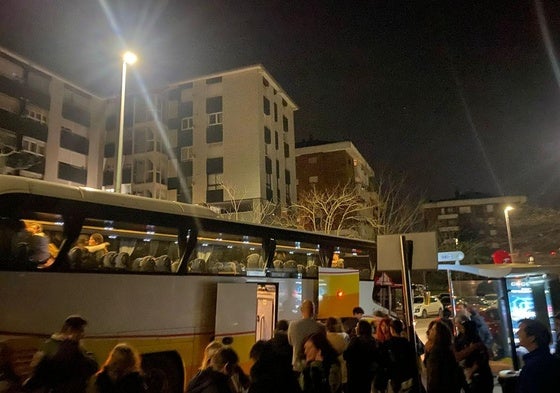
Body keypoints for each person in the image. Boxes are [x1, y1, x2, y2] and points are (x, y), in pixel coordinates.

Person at [24, 315, 98, 393]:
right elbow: (38, 371)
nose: (83, 335)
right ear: (70, 330)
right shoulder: (51, 346)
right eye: (81, 331)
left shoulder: (77, 347)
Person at [516, 318, 560, 393]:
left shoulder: (534, 366)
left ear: (532, 338)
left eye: (520, 330)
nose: (517, 333)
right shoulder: (550, 360)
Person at [453, 315, 493, 393]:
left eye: (457, 323)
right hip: (472, 376)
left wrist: (470, 371)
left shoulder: (475, 339)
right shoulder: (461, 338)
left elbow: (481, 358)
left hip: (479, 378)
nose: (457, 326)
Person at [423, 320, 462, 393]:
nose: (430, 331)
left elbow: (434, 378)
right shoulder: (445, 350)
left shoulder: (437, 352)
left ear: (439, 334)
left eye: (433, 329)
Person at [287, 300, 326, 373]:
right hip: (315, 365)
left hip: (297, 364)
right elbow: (323, 345)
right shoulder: (321, 327)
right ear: (313, 311)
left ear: (301, 310)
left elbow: (290, 342)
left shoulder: (293, 325)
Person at [344, 319, 379, 393]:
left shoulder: (355, 340)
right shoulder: (373, 341)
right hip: (367, 374)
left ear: (361, 329)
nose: (355, 328)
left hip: (355, 374)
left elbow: (347, 355)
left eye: (357, 326)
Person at [386, 319, 419, 393]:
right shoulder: (407, 343)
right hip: (408, 377)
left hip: (395, 378)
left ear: (392, 330)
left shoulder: (389, 344)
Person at [325, 317, 348, 392]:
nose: (339, 325)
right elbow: (345, 353)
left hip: (326, 368)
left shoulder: (323, 337)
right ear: (334, 325)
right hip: (338, 369)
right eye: (338, 323)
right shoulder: (340, 338)